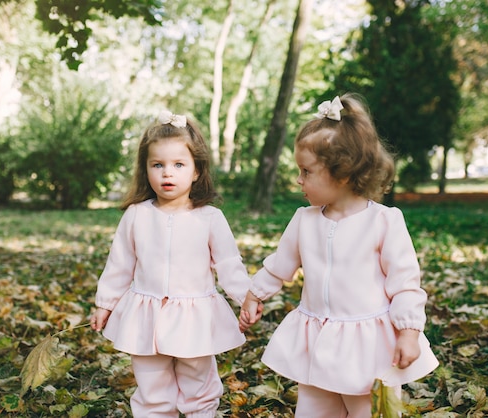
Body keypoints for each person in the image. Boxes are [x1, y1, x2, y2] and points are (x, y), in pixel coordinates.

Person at [239, 94, 439, 417]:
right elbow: (279, 266)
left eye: (306, 171)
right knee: (315, 410)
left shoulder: (383, 222)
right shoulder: (304, 220)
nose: (299, 180)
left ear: (343, 173)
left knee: (368, 412)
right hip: (317, 342)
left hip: (367, 347)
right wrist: (254, 294)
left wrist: (409, 332)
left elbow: (404, 284)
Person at [91, 110, 260, 418]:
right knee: (152, 388)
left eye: (179, 165)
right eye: (158, 165)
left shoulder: (209, 217)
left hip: (194, 318)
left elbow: (229, 264)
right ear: (146, 169)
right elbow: (119, 264)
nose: (167, 173)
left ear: (196, 171)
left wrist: (247, 298)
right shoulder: (137, 215)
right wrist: (106, 303)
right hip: (146, 317)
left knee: (199, 386)